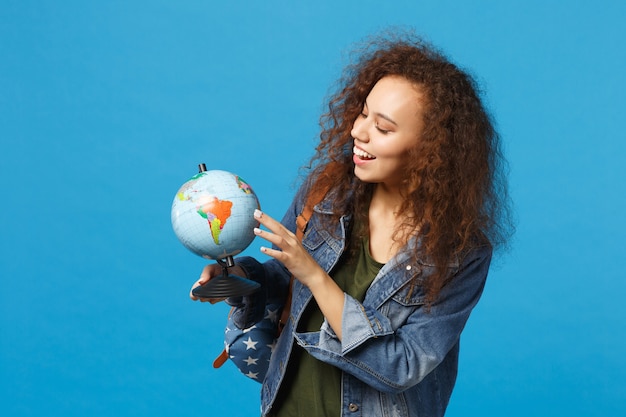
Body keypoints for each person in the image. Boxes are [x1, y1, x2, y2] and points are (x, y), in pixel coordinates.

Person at [190, 30, 514, 417]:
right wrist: (238, 277)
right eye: (363, 113)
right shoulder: (325, 194)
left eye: (383, 127)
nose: (358, 132)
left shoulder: (461, 253)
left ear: (431, 150)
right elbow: (284, 280)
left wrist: (315, 275)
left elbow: (403, 365)